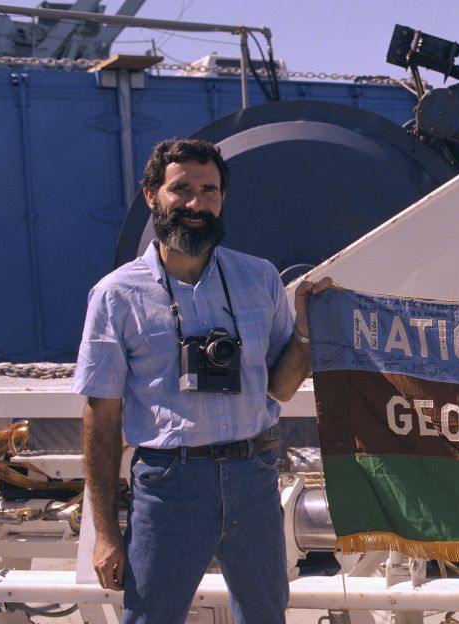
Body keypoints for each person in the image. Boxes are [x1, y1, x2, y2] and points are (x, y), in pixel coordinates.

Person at [73, 138, 333, 623]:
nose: (196, 204)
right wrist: (106, 531)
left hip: (254, 476)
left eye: (208, 190)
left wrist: (305, 333)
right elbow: (101, 417)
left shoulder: (258, 279)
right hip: (171, 484)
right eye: (182, 190)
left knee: (265, 616)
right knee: (151, 618)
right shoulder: (116, 295)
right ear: (152, 196)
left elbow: (279, 388)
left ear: (222, 199)